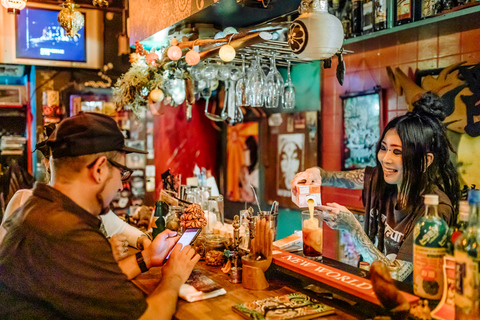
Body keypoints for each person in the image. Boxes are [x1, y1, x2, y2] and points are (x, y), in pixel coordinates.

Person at [0, 112, 200, 319]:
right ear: (99, 170)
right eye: (121, 172)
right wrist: (174, 276)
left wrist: (147, 258)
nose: (122, 186)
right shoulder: (68, 232)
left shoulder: (37, 208)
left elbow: (85, 283)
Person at [291, 93, 460, 281]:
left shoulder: (434, 212)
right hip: (373, 290)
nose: (385, 159)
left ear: (425, 161)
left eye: (397, 152)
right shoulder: (382, 179)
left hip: (408, 303)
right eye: (384, 148)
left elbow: (395, 275)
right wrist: (313, 174)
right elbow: (331, 177)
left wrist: (353, 229)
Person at [0, 123, 152, 261]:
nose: (119, 186)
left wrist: (144, 242)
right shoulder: (24, 202)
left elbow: (122, 229)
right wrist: (103, 253)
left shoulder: (88, 205)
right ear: (48, 163)